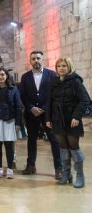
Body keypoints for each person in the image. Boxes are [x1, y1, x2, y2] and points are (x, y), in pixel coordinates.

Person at [46, 57, 90, 188]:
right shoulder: (53, 82)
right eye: (59, 66)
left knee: (74, 147)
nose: (61, 68)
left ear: (69, 67)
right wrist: (48, 118)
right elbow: (49, 101)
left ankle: (80, 175)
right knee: (63, 148)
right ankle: (66, 174)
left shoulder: (76, 81)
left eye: (64, 66)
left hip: (72, 120)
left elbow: (85, 100)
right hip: (57, 120)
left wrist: (77, 117)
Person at [20, 51, 62, 179]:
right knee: (31, 140)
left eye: (38, 58)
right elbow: (23, 95)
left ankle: (58, 169)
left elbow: (54, 94)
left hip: (47, 113)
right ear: (30, 60)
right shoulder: (25, 77)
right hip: (31, 113)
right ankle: (30, 165)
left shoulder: (52, 74)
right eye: (33, 58)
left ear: (42, 59)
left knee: (53, 140)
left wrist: (43, 108)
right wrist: (31, 107)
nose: (36, 60)